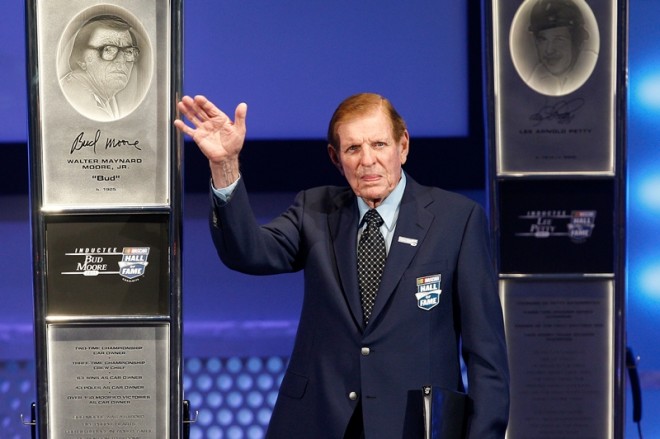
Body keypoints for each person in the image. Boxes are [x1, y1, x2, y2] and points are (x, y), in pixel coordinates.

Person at [175, 93, 509, 438]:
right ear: (336, 158)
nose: (368, 161)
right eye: (353, 149)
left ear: (403, 146)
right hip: (320, 421)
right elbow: (248, 252)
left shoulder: (456, 219)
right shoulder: (315, 211)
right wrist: (225, 166)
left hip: (414, 424)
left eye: (379, 144)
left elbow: (486, 355)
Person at [60, 15, 140, 121]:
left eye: (128, 51)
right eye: (108, 50)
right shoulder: (75, 98)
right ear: (80, 58)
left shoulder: (105, 100)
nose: (121, 62)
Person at [526, 0, 597, 96]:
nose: (549, 50)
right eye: (543, 40)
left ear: (577, 41)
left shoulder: (596, 75)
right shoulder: (535, 79)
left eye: (559, 39)